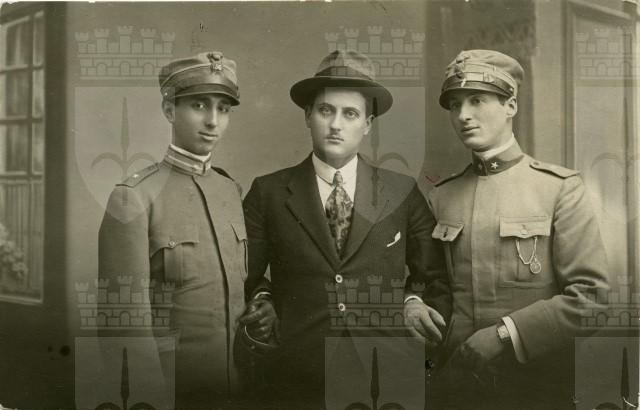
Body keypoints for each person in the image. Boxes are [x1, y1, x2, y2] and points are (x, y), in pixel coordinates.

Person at [240, 49, 451, 408]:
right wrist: (264, 301)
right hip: (297, 376)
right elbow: (243, 274)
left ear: (367, 123)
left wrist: (413, 302)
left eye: (350, 113)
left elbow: (435, 277)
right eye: (326, 110)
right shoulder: (268, 192)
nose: (336, 124)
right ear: (308, 115)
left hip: (383, 376)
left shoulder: (401, 192)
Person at [429, 49, 610, 409]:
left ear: (510, 105)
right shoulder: (442, 196)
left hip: (536, 387)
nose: (463, 115)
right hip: (457, 388)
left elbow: (591, 298)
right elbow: (433, 285)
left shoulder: (559, 188)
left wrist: (503, 335)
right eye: (455, 105)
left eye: (477, 100)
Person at [98, 51, 262, 409]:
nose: (212, 121)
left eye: (223, 108)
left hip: (238, 390)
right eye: (199, 105)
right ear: (169, 110)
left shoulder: (230, 191)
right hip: (172, 394)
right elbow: (123, 326)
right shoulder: (134, 197)